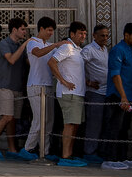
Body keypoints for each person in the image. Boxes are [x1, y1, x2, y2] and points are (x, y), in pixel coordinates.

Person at [101, 22, 132, 171]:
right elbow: (115, 74)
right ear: (126, 35)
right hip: (117, 96)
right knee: (115, 127)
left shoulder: (130, 50)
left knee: (124, 128)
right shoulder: (118, 50)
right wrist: (123, 97)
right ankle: (110, 159)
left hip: (127, 95)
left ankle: (122, 157)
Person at [47, 21, 89, 167]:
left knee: (75, 125)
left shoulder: (77, 49)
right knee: (69, 125)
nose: (83, 36)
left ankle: (69, 155)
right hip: (68, 93)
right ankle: (65, 156)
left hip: (77, 93)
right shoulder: (67, 47)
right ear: (72, 34)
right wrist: (63, 81)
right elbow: (52, 62)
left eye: (85, 33)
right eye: (80, 33)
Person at [21, 16, 63, 160]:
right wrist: (55, 45)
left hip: (48, 85)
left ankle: (44, 152)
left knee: (49, 121)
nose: (51, 33)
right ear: (42, 29)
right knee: (39, 120)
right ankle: (28, 148)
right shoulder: (32, 42)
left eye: (53, 31)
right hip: (35, 85)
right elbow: (38, 53)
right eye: (49, 30)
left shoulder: (49, 44)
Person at [0, 17, 28, 159]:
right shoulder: (4, 43)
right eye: (23, 29)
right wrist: (24, 45)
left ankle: (12, 148)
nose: (25, 32)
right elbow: (11, 59)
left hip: (17, 86)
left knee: (13, 119)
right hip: (5, 86)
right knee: (7, 116)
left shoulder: (20, 46)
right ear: (14, 29)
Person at [82, 24, 111, 162]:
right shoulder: (88, 50)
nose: (105, 38)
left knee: (103, 123)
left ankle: (100, 151)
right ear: (94, 36)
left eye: (106, 35)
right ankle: (89, 152)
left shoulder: (105, 49)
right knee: (94, 124)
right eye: (102, 35)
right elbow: (76, 67)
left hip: (106, 92)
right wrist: (87, 82)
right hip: (94, 92)